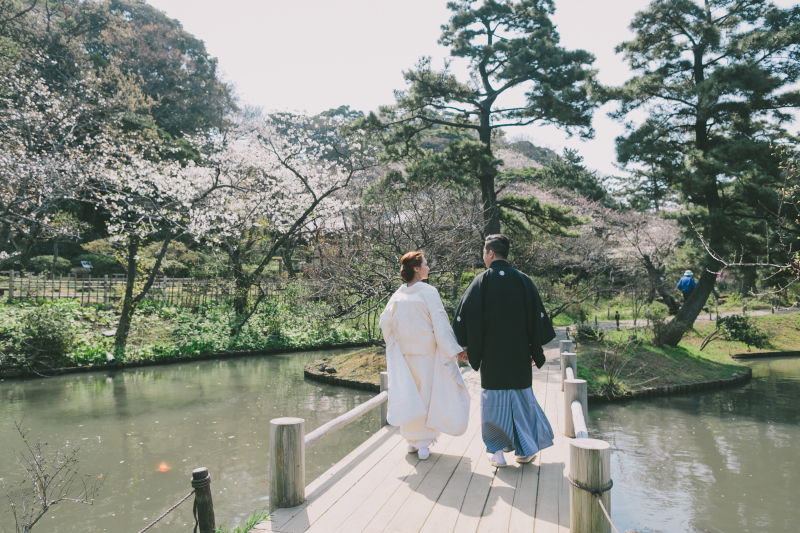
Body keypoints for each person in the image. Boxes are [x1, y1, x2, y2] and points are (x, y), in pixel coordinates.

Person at [453, 234, 555, 467]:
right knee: (521, 399)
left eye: (483, 251)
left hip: (491, 356)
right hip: (520, 355)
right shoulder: (523, 280)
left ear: (490, 253)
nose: (483, 255)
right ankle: (524, 451)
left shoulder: (480, 282)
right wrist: (534, 349)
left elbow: (464, 316)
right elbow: (536, 317)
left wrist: (465, 348)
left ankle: (497, 453)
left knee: (493, 401)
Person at [379, 251, 470, 460]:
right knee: (426, 396)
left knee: (409, 393)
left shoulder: (399, 294)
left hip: (405, 354)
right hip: (426, 354)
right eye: (426, 264)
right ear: (417, 269)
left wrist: (394, 343)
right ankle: (422, 444)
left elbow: (385, 321)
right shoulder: (428, 292)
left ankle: (411, 440)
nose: (429, 267)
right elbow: (440, 323)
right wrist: (456, 349)